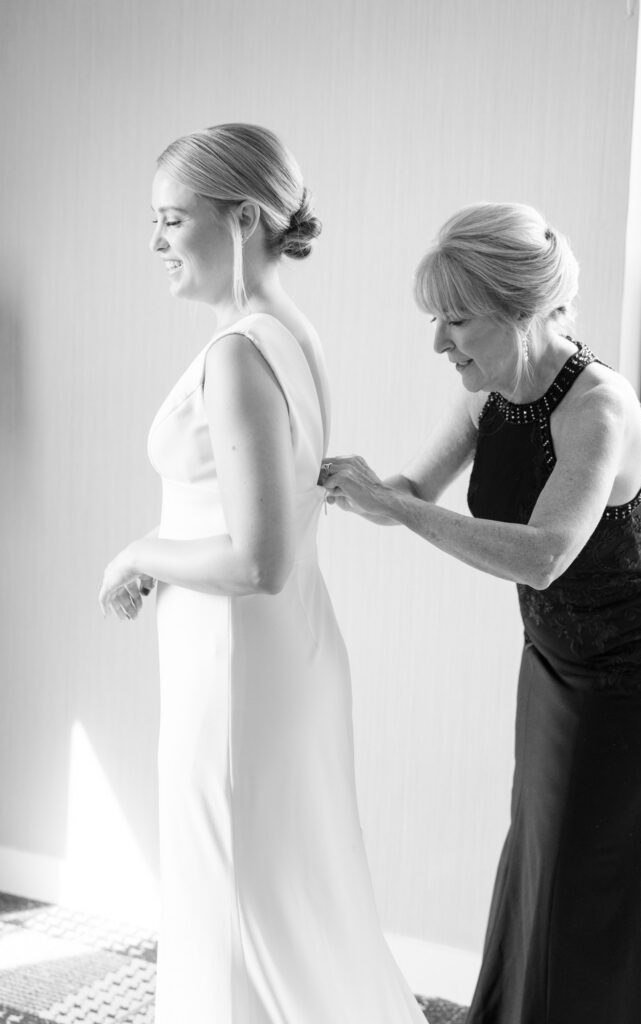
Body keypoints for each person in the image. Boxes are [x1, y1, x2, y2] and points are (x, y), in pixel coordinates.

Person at [320, 202, 641, 1024]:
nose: (438, 344)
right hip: (551, 654)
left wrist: (399, 508)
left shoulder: (597, 408)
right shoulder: (488, 394)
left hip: (633, 664)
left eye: (455, 321)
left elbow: (544, 554)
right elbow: (411, 491)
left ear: (519, 312)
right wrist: (341, 486)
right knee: (537, 854)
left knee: (586, 870)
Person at [98, 123, 427, 1024]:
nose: (156, 241)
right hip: (281, 653)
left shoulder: (240, 352)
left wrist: (137, 554)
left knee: (233, 900)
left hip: (235, 668)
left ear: (243, 219)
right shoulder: (289, 332)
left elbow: (257, 559)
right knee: (279, 901)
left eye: (172, 219)